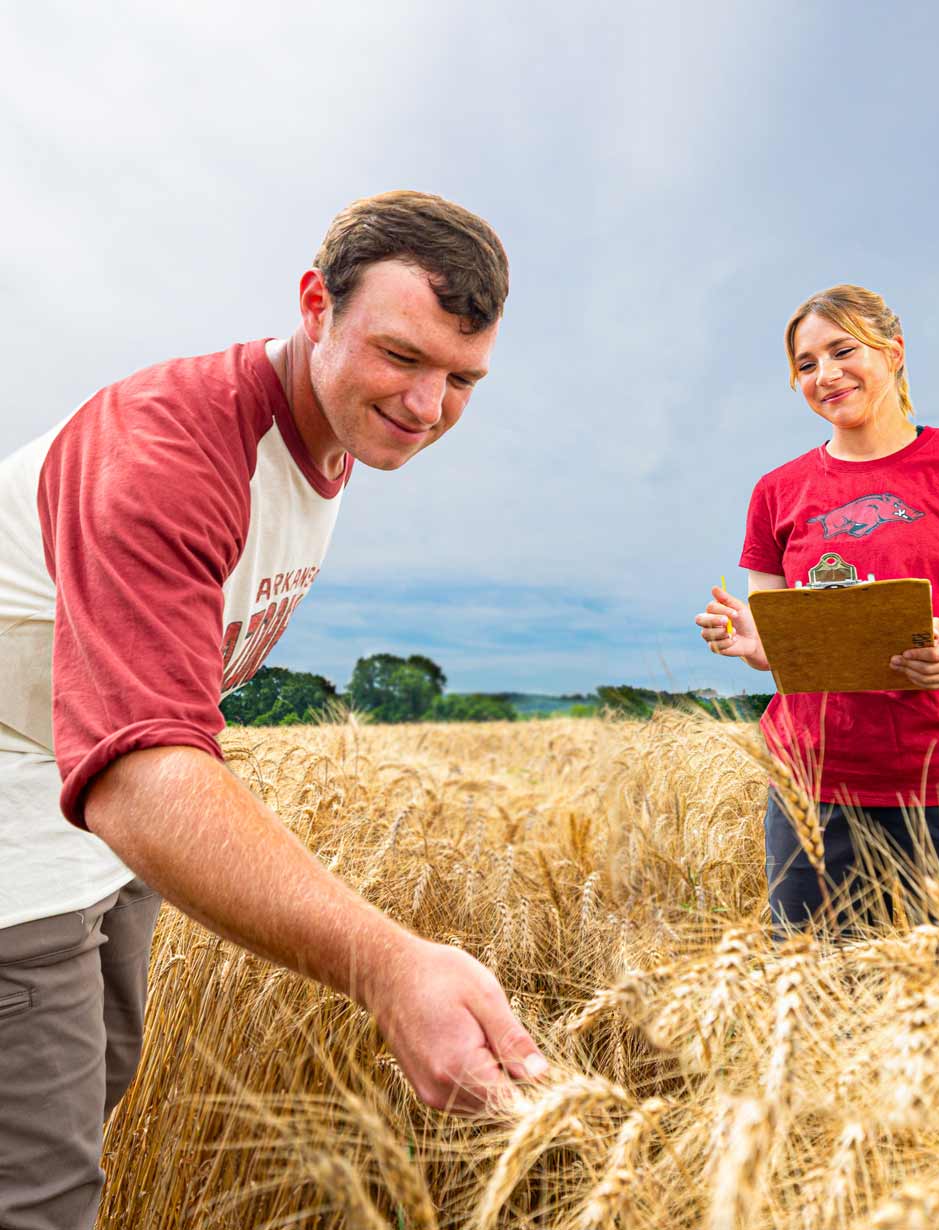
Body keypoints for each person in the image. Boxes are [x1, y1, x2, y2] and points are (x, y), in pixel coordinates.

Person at [0, 191, 547, 1230]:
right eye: (401, 356)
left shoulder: (329, 438)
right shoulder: (162, 451)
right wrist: (389, 968)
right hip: (23, 820)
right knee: (37, 1186)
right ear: (314, 305)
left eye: (462, 379)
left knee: (95, 1089)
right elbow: (136, 773)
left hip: (94, 832)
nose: (428, 408)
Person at [695, 284, 939, 961]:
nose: (825, 375)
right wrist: (754, 640)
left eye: (842, 351)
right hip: (815, 792)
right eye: (806, 364)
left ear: (893, 353)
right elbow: (780, 645)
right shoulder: (777, 491)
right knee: (817, 1009)